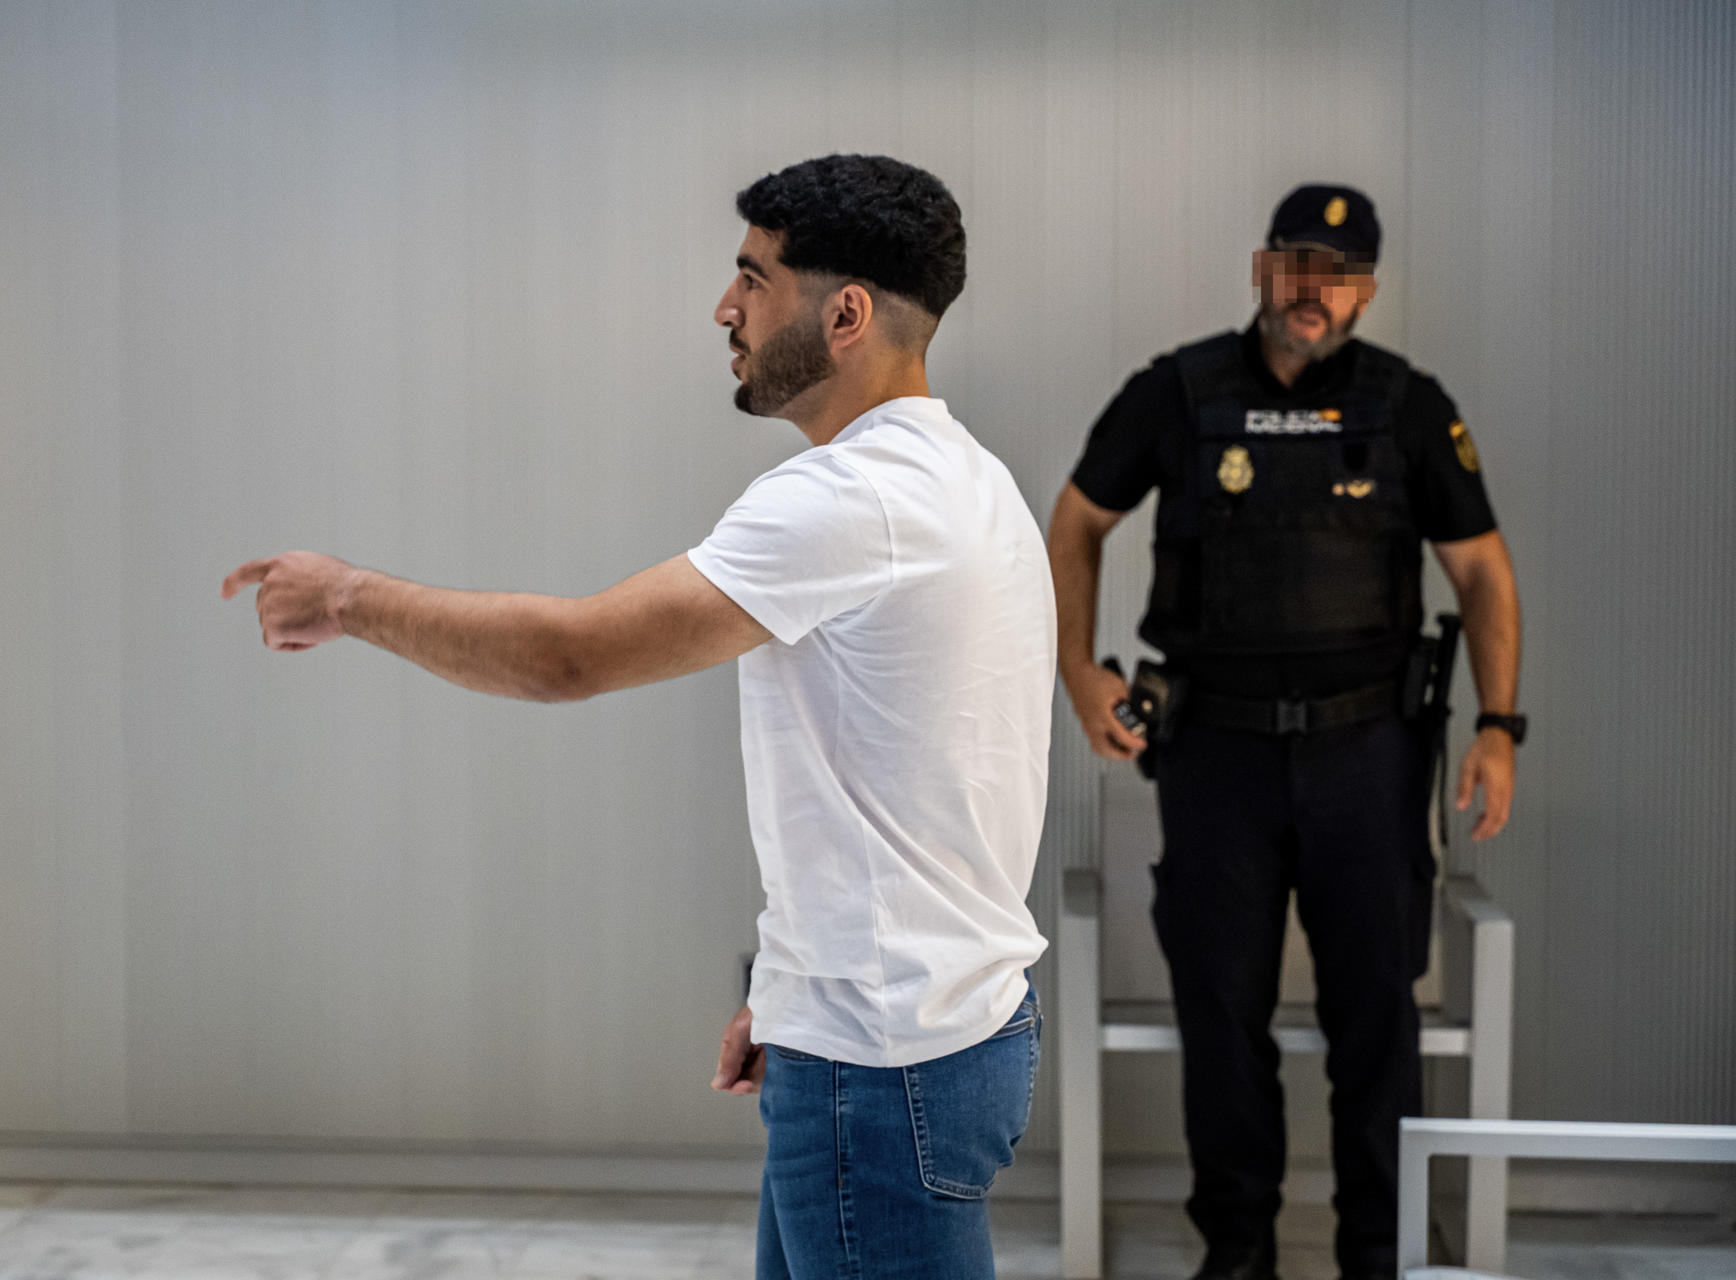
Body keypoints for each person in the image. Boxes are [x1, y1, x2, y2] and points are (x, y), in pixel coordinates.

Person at [223, 154, 1055, 1280]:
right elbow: (921, 785)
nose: (725, 308)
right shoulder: (968, 478)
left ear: (845, 314)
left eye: (753, 279)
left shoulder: (851, 499)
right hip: (905, 1029)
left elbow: (569, 656)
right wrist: (791, 992)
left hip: (882, 1062)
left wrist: (346, 597)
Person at [1046, 184, 1524, 1280]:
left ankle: (1378, 1251)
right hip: (1216, 756)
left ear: (1366, 291)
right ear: (1265, 270)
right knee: (1220, 1008)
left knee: (1376, 1014)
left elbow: (1483, 568)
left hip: (1369, 756)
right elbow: (1076, 520)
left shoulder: (1407, 406)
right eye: (1299, 265)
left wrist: (1500, 726)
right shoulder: (1179, 393)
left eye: (1341, 274)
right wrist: (1077, 670)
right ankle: (1239, 1247)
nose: (1317, 290)